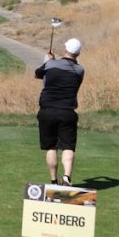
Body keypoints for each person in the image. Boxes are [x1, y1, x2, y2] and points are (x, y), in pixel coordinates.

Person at [35, 38, 85, 186]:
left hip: (47, 111)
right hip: (67, 112)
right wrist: (51, 61)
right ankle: (67, 177)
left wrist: (47, 60)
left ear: (65, 49)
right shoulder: (80, 70)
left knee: (51, 147)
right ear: (78, 53)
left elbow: (38, 74)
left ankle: (54, 181)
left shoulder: (50, 64)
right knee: (68, 147)